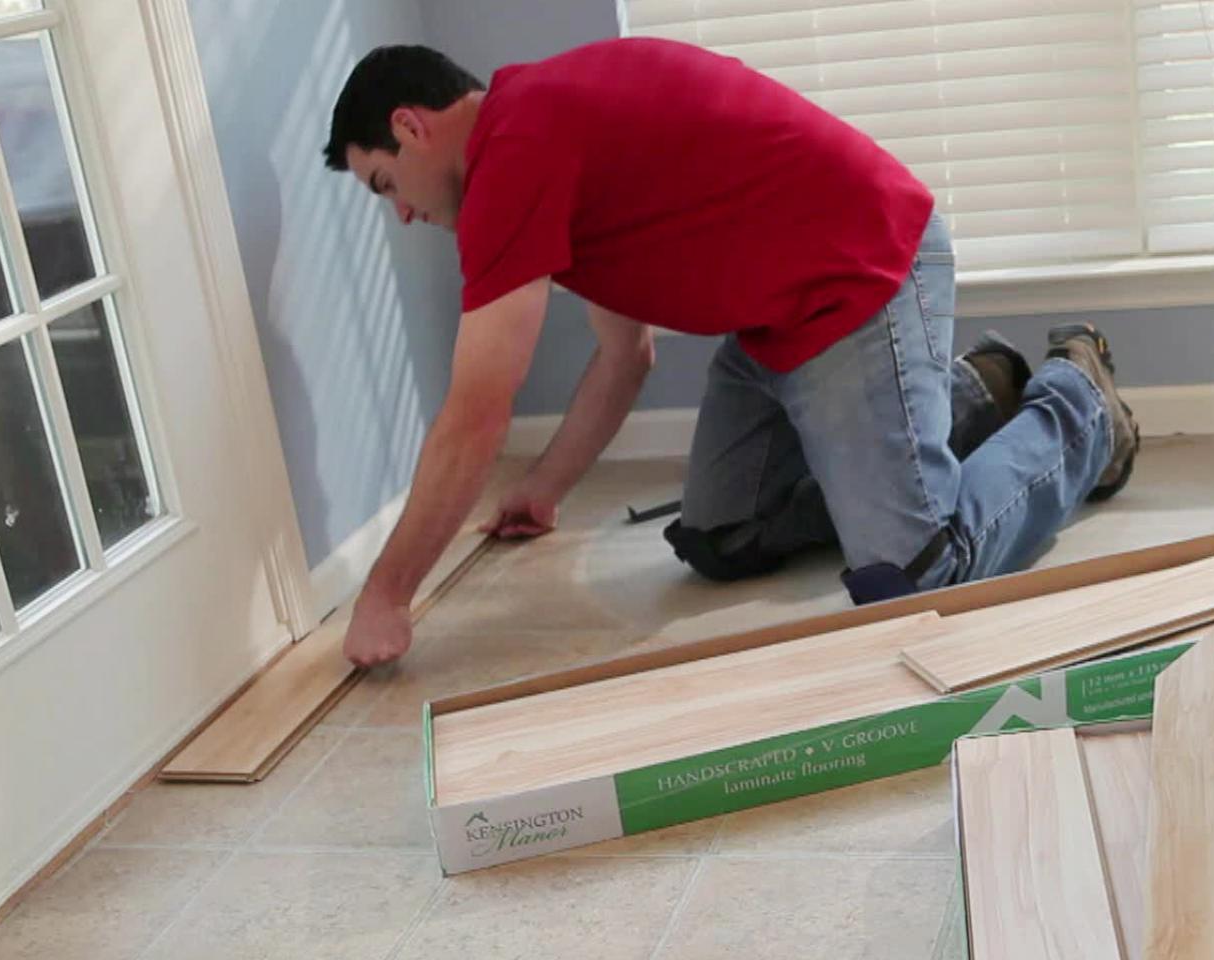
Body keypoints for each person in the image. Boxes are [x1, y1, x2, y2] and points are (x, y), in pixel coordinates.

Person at [322, 39, 1139, 667]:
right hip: (772, 324)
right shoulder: (541, 131)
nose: (399, 214)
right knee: (719, 537)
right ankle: (968, 399)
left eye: (383, 185)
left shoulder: (517, 147)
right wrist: (544, 489)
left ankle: (1079, 404)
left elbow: (474, 418)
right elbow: (625, 355)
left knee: (916, 575)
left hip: (861, 279)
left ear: (410, 127)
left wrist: (386, 595)